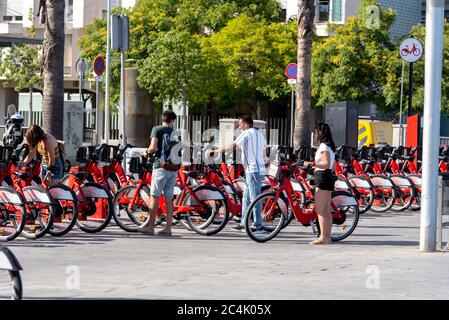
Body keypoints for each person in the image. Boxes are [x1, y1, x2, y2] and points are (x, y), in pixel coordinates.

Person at [214, 115, 267, 231]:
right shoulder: (259, 134)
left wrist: (217, 151)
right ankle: (244, 222)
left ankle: (257, 224)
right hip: (257, 169)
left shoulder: (247, 133)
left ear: (246, 124)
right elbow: (264, 150)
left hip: (253, 170)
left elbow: (233, 145)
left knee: (254, 198)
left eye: (240, 123)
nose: (239, 125)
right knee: (246, 197)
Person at [138, 111, 181, 236]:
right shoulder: (176, 133)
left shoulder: (157, 129)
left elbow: (153, 147)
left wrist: (145, 154)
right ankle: (168, 228)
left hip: (160, 165)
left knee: (154, 196)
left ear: (162, 119)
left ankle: (151, 227)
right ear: (172, 120)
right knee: (169, 198)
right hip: (174, 168)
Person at [305, 122, 336, 245]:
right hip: (328, 177)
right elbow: (332, 166)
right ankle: (327, 236)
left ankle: (323, 237)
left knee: (320, 209)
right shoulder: (331, 147)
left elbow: (327, 164)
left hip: (322, 177)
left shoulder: (323, 147)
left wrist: (312, 164)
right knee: (327, 210)